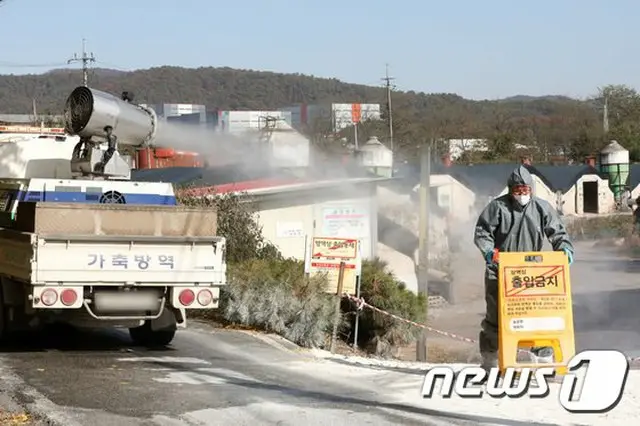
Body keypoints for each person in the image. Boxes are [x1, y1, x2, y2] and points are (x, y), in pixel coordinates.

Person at [473, 165, 574, 371]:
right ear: (511, 190)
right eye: (518, 190)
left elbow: (558, 232)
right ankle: (490, 360)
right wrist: (489, 252)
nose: (522, 194)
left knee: (537, 314)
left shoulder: (541, 208)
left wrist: (563, 248)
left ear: (531, 190)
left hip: (531, 273)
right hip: (500, 270)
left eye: (525, 190)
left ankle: (544, 358)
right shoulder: (497, 208)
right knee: (496, 316)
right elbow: (482, 232)